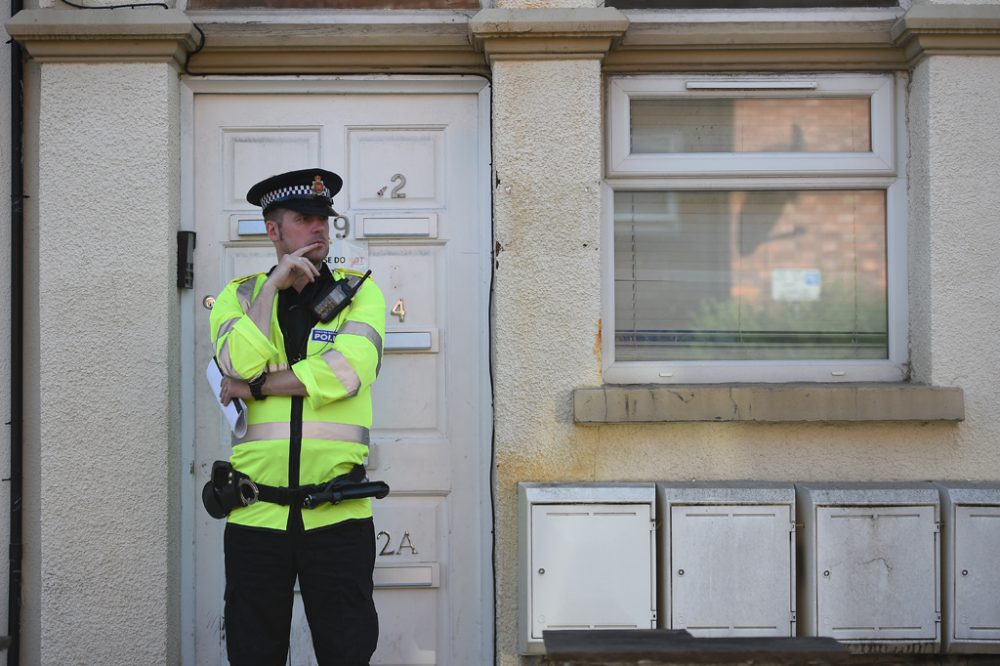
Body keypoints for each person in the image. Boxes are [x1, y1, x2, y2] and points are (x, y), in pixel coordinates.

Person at [208, 168, 385, 665]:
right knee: (253, 654)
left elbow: (347, 371)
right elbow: (233, 364)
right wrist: (272, 288)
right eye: (304, 219)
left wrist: (257, 386)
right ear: (273, 231)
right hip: (256, 513)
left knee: (346, 653)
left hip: (338, 515)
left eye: (324, 219)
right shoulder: (239, 296)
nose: (319, 229)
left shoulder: (359, 292)